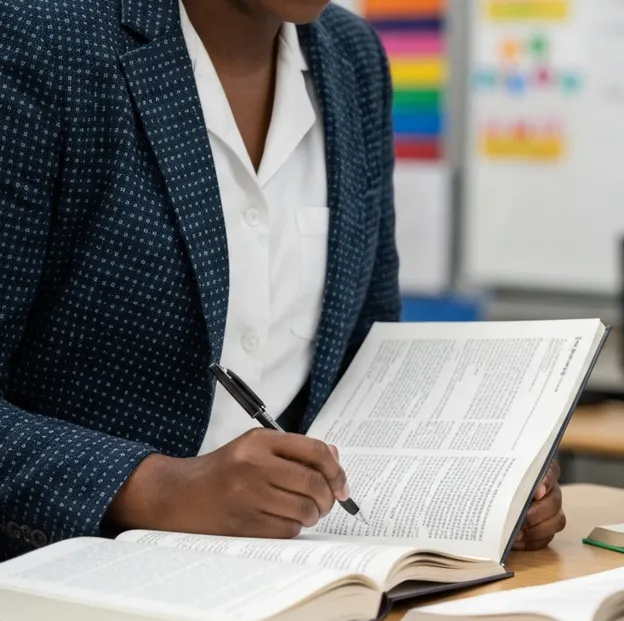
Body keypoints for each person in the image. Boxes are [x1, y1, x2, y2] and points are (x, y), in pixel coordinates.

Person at [0, 0, 563, 561]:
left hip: (283, 570)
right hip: (59, 574)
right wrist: (157, 487)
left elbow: (364, 367)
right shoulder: (39, 36)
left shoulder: (352, 57)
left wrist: (482, 492)